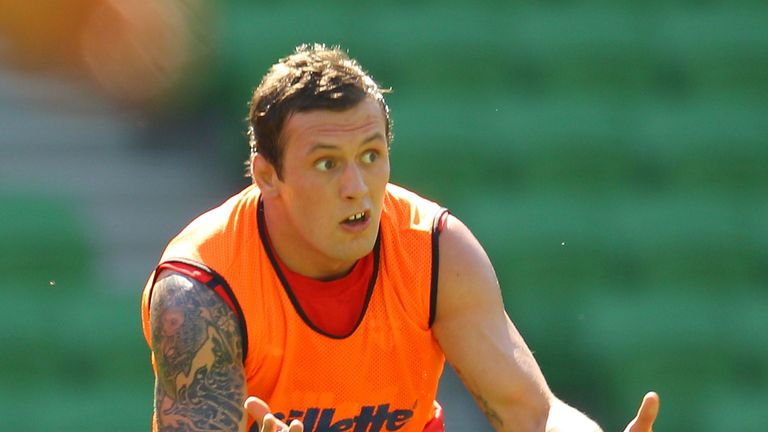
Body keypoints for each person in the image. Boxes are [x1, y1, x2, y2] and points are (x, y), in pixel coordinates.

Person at [140, 43, 660, 432]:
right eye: (326, 164)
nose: (356, 188)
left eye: (371, 156)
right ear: (267, 175)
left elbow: (534, 411)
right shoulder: (202, 288)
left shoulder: (434, 249)